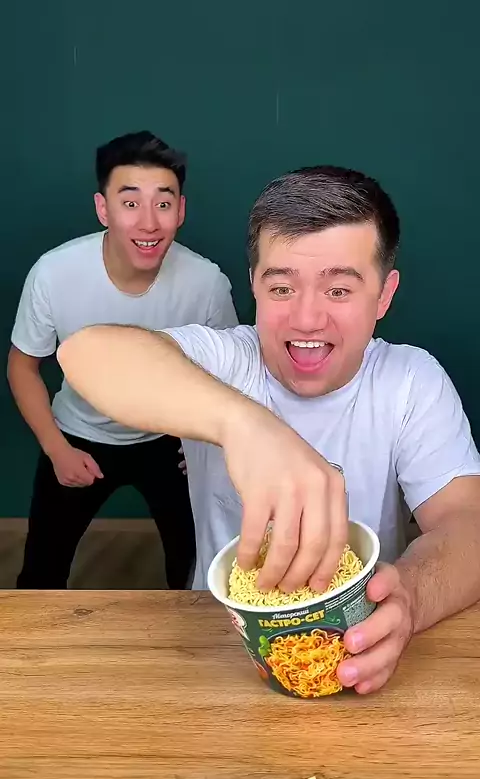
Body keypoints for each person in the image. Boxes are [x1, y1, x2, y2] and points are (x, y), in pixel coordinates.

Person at [57, 164, 480, 695]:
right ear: (254, 284)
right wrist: (245, 424)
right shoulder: (224, 362)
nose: (306, 319)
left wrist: (411, 597)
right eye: (281, 288)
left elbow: (468, 524)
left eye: (339, 291)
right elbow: (85, 353)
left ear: (383, 294)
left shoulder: (411, 380)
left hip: (356, 647)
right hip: (215, 652)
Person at [8, 130, 238, 590]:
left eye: (163, 203)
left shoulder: (207, 282)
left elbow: (233, 369)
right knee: (40, 575)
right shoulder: (54, 273)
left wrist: (209, 444)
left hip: (170, 437)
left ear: (181, 211)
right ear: (103, 209)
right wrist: (56, 449)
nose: (149, 222)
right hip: (79, 432)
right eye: (130, 203)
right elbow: (22, 366)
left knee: (197, 574)